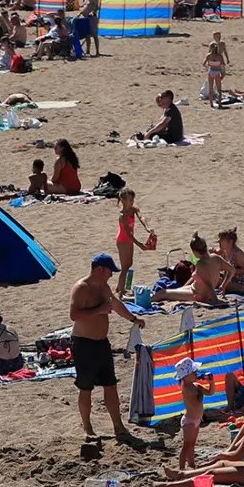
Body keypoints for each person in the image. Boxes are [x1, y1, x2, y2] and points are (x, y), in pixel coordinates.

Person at [71, 252, 143, 449]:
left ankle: (118, 426)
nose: (112, 275)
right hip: (84, 344)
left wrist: (133, 319)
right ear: (99, 269)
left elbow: (116, 305)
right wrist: (99, 311)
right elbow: (74, 315)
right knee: (86, 387)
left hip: (102, 343)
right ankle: (87, 428)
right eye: (110, 271)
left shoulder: (104, 287)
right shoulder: (81, 288)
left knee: (110, 385)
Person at [114, 189, 155, 296]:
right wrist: (140, 245)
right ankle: (121, 291)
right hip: (122, 241)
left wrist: (147, 228)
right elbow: (128, 234)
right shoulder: (122, 216)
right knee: (124, 267)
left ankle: (119, 287)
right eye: (130, 199)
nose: (132, 201)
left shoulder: (134, 209)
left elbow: (141, 217)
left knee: (129, 264)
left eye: (133, 199)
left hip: (129, 240)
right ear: (123, 201)